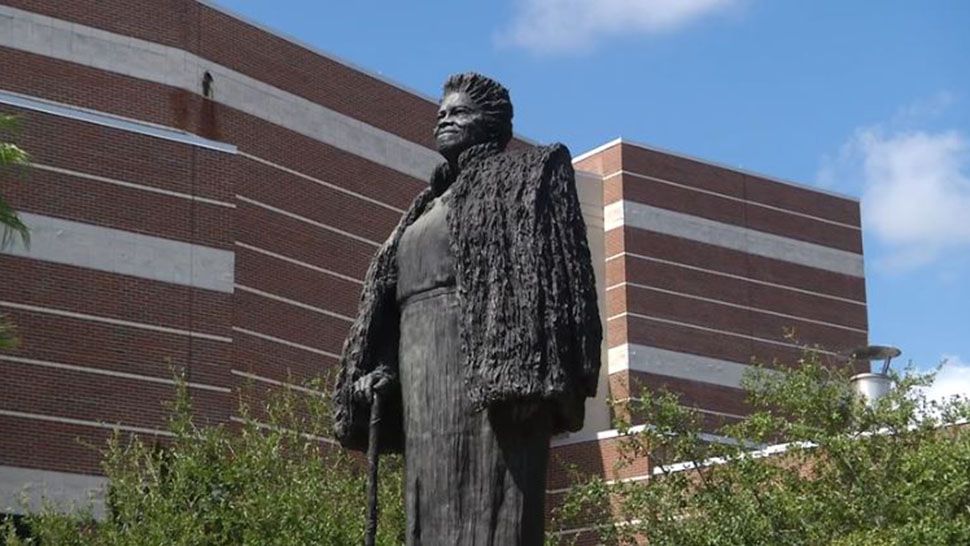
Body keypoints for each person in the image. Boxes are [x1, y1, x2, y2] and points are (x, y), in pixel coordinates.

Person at [334, 72, 601, 545]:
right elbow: (389, 304)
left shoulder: (526, 176)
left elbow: (558, 280)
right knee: (428, 505)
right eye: (441, 114)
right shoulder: (424, 206)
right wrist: (382, 367)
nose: (445, 120)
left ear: (492, 123)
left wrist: (534, 380)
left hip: (489, 373)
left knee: (490, 502)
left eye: (459, 112)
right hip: (422, 375)